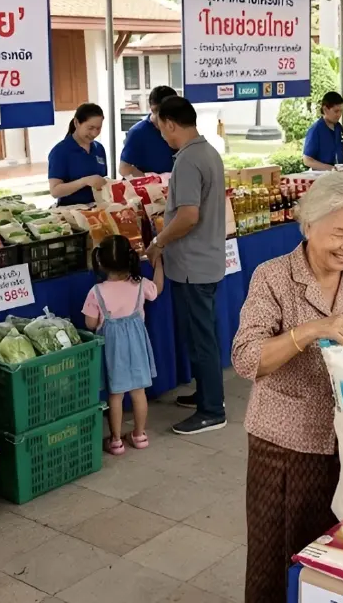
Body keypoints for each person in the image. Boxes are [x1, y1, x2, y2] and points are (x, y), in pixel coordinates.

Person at [231, 172, 343, 603]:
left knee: (332, 555)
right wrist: (311, 330)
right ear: (309, 224)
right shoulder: (273, 278)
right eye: (339, 233)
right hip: (283, 444)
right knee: (274, 557)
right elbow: (247, 359)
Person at [148, 96, 229, 436]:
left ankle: (211, 410)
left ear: (170, 123)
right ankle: (207, 395)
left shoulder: (188, 160)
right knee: (203, 334)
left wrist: (159, 242)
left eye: (160, 125)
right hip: (205, 260)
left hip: (192, 265)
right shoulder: (208, 151)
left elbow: (188, 216)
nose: (161, 133)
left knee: (200, 339)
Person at [84, 235, 163, 455]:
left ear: (100, 262)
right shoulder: (139, 285)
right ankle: (139, 435)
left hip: (112, 349)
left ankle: (116, 441)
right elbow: (157, 289)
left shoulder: (96, 292)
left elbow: (90, 323)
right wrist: (159, 264)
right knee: (139, 392)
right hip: (137, 345)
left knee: (115, 395)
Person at [49, 103, 108, 206]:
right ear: (76, 123)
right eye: (90, 128)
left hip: (97, 210)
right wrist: (84, 181)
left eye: (98, 128)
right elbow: (55, 191)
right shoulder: (60, 151)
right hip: (70, 213)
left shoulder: (99, 149)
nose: (94, 133)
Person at [119, 86, 177, 177]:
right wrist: (151, 181)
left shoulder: (179, 127)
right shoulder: (138, 132)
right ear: (151, 108)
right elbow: (124, 168)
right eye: (157, 111)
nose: (161, 117)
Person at [302, 91, 343, 170]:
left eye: (341, 111)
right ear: (325, 109)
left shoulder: (339, 128)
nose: (339, 115)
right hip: (321, 176)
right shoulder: (316, 130)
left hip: (340, 174)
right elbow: (307, 160)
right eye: (336, 111)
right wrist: (330, 168)